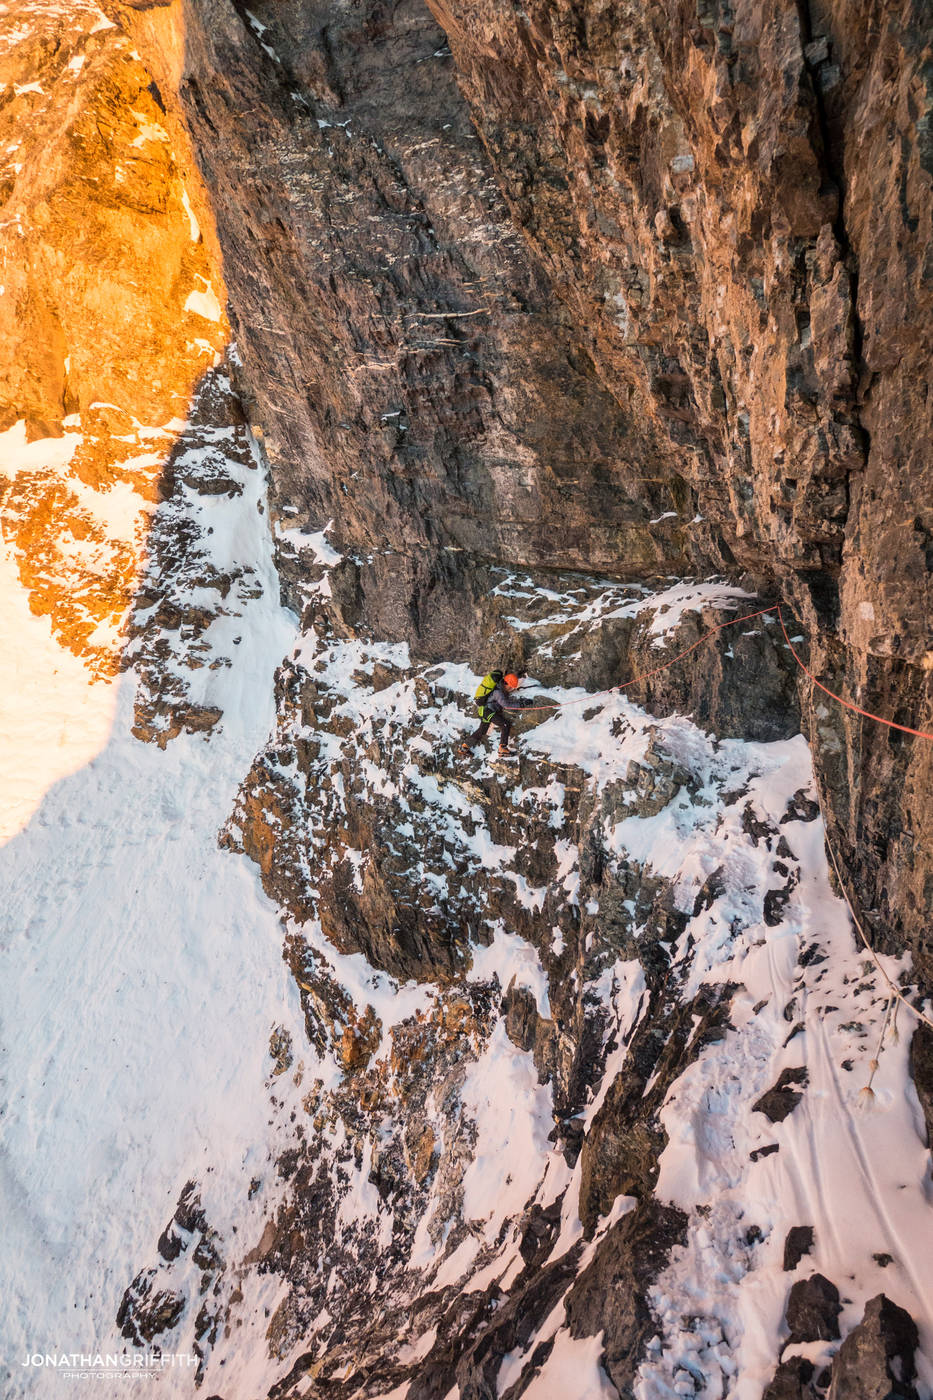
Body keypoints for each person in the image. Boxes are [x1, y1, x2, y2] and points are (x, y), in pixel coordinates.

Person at [458, 670, 532, 757]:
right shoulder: (498, 692)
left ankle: (464, 748)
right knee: (505, 724)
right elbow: (506, 705)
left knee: (482, 730)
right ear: (506, 684)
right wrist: (521, 704)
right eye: (511, 687)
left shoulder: (500, 686)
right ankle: (502, 749)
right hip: (488, 711)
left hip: (485, 710)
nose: (511, 689)